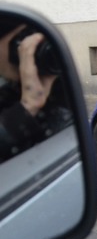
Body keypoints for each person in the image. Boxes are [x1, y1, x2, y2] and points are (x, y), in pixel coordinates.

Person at [0, 25, 68, 162]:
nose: (25, 50)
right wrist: (27, 106)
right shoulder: (6, 95)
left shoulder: (56, 87)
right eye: (19, 40)